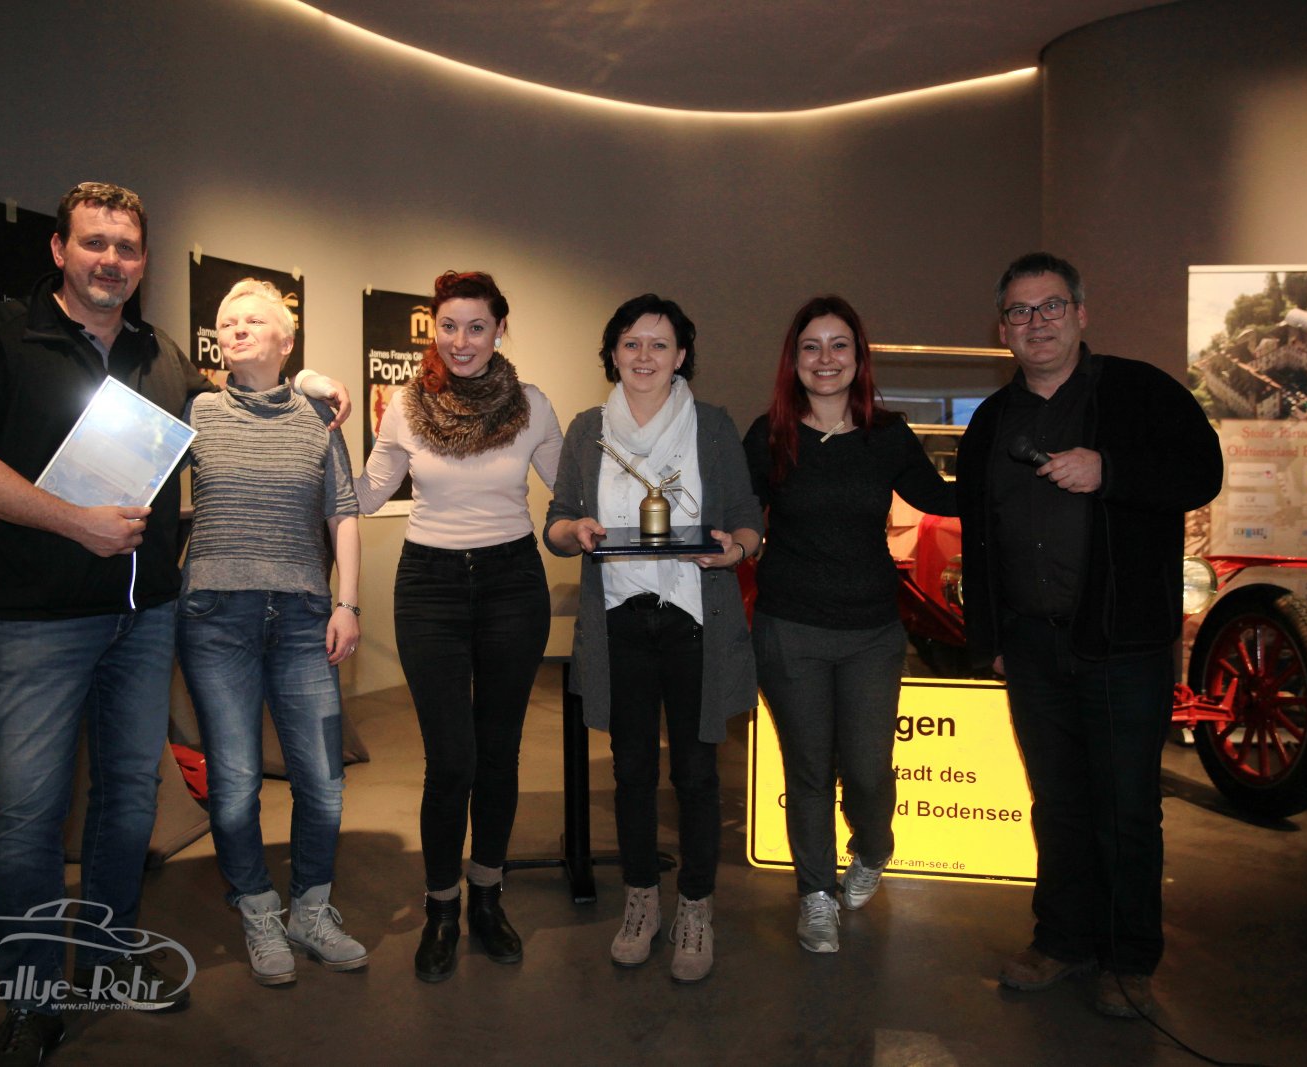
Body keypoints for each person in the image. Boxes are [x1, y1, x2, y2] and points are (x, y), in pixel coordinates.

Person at [0, 182, 348, 1066]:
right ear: (59, 250)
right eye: (94, 242)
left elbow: (244, 395)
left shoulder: (161, 359)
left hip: (145, 618)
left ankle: (108, 958)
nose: (110, 259)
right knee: (30, 813)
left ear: (144, 261)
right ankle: (32, 1000)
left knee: (127, 802)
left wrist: (308, 378)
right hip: (38, 622)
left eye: (126, 247)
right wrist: (72, 520)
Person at [955, 252, 1222, 1018]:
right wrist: (991, 637)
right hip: (1031, 646)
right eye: (1019, 311)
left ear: (1080, 313)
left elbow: (1201, 472)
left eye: (1050, 306)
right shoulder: (991, 422)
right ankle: (1062, 940)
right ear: (1003, 330)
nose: (1035, 322)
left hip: (1122, 646)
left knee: (1127, 806)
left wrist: (1110, 470)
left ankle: (1129, 959)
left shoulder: (1139, 392)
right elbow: (979, 535)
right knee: (1057, 801)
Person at [545, 294, 763, 984]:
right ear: (613, 352)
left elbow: (747, 519)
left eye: (660, 344)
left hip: (695, 620)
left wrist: (733, 550)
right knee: (631, 769)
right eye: (632, 343)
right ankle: (641, 901)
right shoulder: (587, 431)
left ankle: (695, 905)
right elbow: (557, 521)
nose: (645, 356)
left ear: (682, 355)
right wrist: (575, 532)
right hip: (619, 622)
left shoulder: (713, 426)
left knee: (696, 773)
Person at [355, 270, 563, 983]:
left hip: (512, 584)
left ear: (500, 329)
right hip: (429, 588)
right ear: (434, 330)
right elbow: (366, 493)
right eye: (449, 326)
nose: (462, 340)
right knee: (450, 760)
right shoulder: (404, 407)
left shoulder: (532, 405)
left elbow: (573, 492)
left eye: (477, 326)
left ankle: (487, 896)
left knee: (499, 753)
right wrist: (311, 437)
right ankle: (441, 908)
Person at [742, 295, 955, 954]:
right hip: (790, 629)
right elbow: (739, 513)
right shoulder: (770, 434)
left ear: (859, 358)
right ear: (794, 359)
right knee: (808, 769)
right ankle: (815, 895)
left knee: (866, 770)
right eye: (811, 346)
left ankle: (873, 847)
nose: (825, 358)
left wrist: (1018, 473)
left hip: (870, 633)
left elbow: (943, 497)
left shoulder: (886, 435)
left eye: (839, 345)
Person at [176, 279, 366, 987]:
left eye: (254, 320)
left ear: (287, 341)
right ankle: (257, 908)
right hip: (214, 618)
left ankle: (310, 910)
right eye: (226, 321)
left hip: (304, 619)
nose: (236, 329)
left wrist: (348, 603)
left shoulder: (318, 416)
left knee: (323, 780)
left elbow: (343, 513)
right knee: (233, 783)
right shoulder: (196, 410)